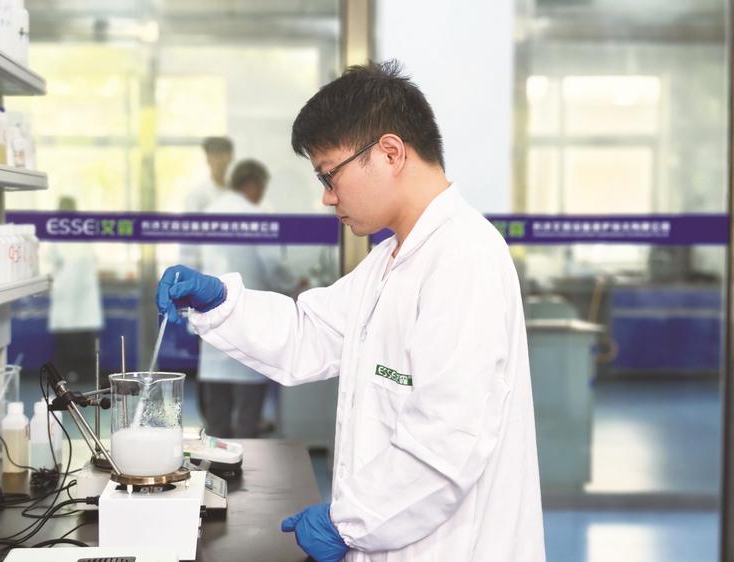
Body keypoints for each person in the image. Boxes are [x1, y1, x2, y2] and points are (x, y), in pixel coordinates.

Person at [156, 61, 544, 561]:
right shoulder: (390, 260)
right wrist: (222, 303)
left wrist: (349, 522)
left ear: (390, 153)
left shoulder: (464, 258)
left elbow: (447, 442)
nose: (326, 196)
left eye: (329, 174)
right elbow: (310, 333)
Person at [198, 159, 301, 438]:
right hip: (247, 320)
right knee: (248, 413)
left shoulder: (211, 212)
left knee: (217, 414)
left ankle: (214, 460)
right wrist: (293, 285)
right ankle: (248, 460)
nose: (262, 194)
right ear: (252, 184)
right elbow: (273, 265)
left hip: (213, 319)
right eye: (262, 188)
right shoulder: (256, 215)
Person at [47, 196, 103, 383]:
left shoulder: (65, 234)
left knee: (75, 340)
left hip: (75, 295)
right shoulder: (75, 233)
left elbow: (55, 261)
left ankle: (73, 375)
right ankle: (80, 375)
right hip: (72, 296)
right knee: (75, 339)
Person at [183, 136, 234, 214]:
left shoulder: (239, 193)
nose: (217, 160)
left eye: (221, 155)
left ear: (231, 157)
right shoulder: (195, 196)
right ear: (207, 158)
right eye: (213, 155)